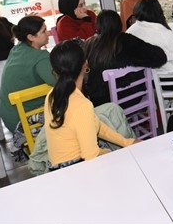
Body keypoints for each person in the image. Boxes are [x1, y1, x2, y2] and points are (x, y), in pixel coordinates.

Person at [44, 40, 137, 170]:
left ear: (54, 69)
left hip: (59, 170)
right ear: (85, 64)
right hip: (78, 170)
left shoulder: (52, 95)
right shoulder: (82, 105)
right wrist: (113, 153)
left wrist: (127, 142)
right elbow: (91, 156)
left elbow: (95, 125)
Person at [83, 10, 166, 107]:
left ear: (98, 25)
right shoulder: (126, 41)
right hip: (126, 99)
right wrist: (137, 62)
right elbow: (160, 57)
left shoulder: (89, 43)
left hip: (99, 102)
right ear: (119, 23)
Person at [0, 16, 55, 136]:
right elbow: (57, 81)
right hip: (25, 120)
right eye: (44, 31)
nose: (48, 33)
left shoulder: (16, 49)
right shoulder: (40, 57)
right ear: (31, 37)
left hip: (9, 114)